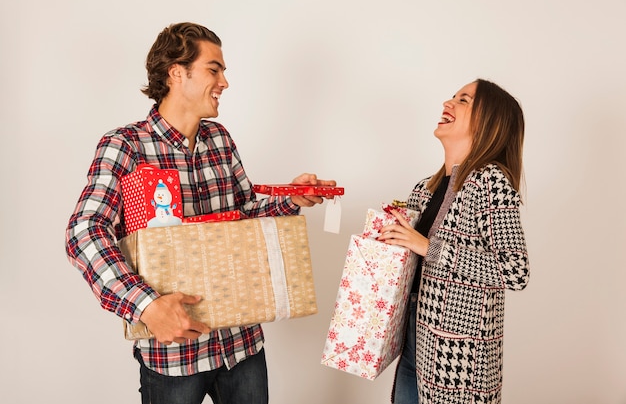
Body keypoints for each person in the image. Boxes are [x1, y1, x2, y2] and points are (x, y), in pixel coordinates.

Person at [65, 22, 335, 404]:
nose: (225, 81)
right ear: (177, 72)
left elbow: (242, 215)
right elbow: (84, 233)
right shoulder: (125, 146)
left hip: (242, 345)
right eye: (214, 69)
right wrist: (147, 306)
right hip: (173, 356)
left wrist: (292, 199)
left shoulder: (220, 140)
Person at [378, 79, 530, 404]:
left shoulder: (491, 182)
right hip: (413, 340)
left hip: (460, 359)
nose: (448, 102)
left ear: (489, 121)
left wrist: (427, 247)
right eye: (453, 96)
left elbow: (515, 272)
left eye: (463, 100)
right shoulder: (424, 188)